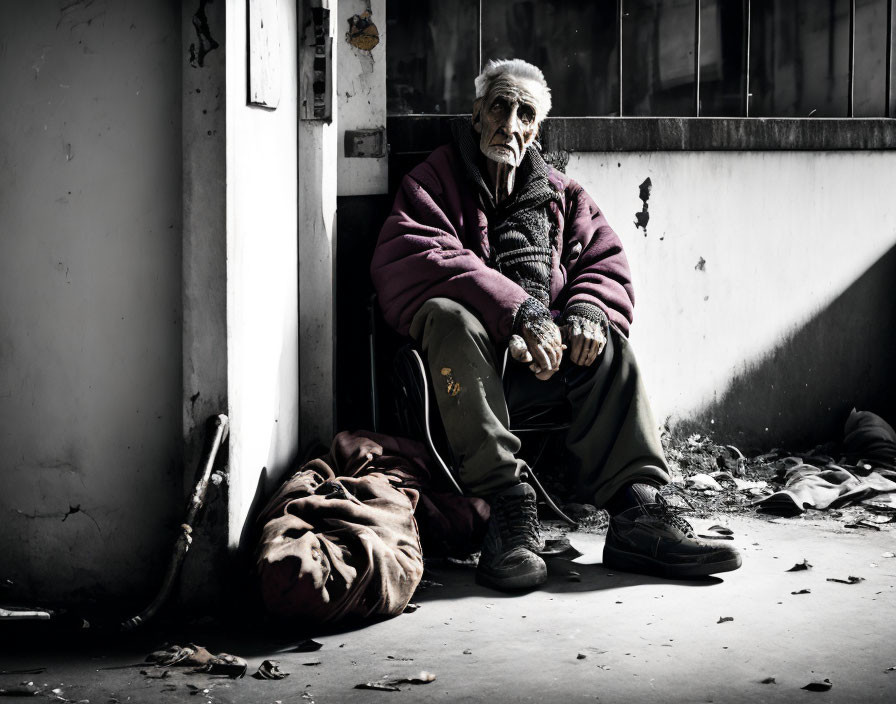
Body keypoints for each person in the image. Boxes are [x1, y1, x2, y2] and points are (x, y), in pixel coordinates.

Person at [371, 59, 741, 591]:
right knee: (447, 314)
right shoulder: (433, 180)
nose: (511, 122)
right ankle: (507, 510)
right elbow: (414, 257)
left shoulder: (563, 194)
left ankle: (639, 512)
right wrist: (521, 314)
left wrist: (586, 312)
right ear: (477, 115)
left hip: (547, 363)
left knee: (605, 339)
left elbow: (604, 260)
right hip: (466, 373)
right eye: (499, 106)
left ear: (537, 129)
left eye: (525, 113)